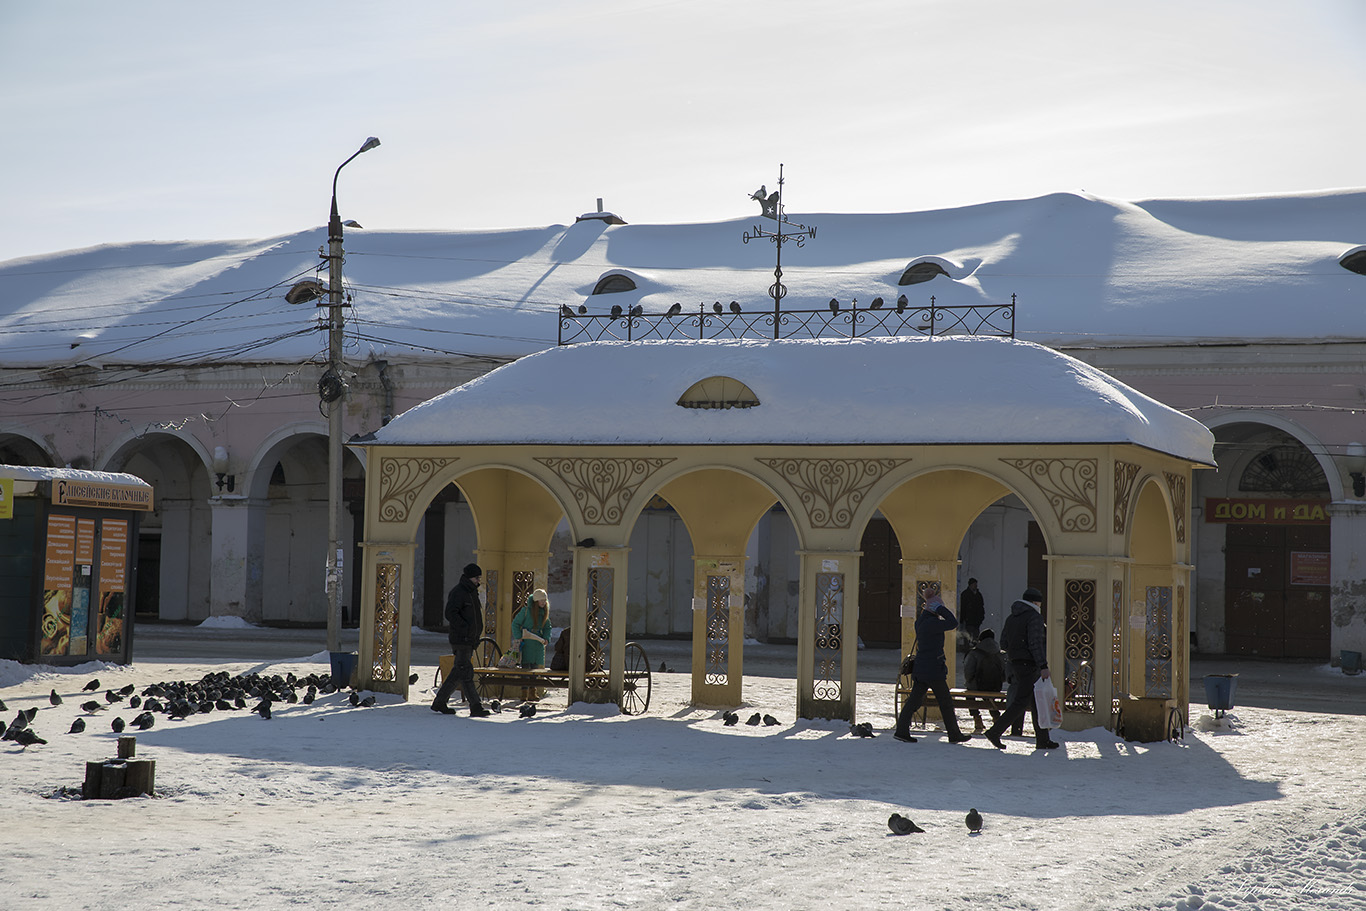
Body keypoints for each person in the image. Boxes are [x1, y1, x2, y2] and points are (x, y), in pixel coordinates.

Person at [892, 592, 972, 744]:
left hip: (922, 667)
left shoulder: (921, 621)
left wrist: (936, 608)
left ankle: (901, 731)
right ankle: (954, 734)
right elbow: (953, 622)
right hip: (933, 668)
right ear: (934, 608)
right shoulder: (932, 623)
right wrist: (941, 609)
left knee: (914, 701)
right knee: (946, 702)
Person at [984, 588, 1059, 750]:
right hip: (1030, 665)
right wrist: (1043, 666)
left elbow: (1003, 643)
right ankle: (994, 732)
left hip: (1016, 664)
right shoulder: (1035, 617)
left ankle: (1043, 739)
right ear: (1035, 602)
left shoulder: (1012, 617)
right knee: (1021, 702)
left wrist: (1015, 651)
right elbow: (1035, 644)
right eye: (1039, 602)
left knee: (1035, 701)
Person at [431, 563, 491, 717]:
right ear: (469, 577)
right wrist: (465, 629)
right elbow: (450, 613)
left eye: (479, 577)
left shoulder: (471, 592)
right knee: (466, 672)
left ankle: (440, 701)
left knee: (460, 671)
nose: (479, 580)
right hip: (461, 639)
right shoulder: (459, 592)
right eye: (477, 577)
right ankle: (475, 706)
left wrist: (474, 635)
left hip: (469, 639)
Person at [963, 628, 1009, 733]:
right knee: (989, 698)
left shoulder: (974, 653)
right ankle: (996, 718)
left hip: (977, 686)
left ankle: (977, 719)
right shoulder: (1001, 654)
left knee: (969, 694)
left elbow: (968, 673)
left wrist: (971, 681)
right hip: (995, 686)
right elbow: (1005, 673)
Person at [512, 588, 553, 700]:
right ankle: (524, 692)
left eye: (545, 600)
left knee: (535, 669)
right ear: (536, 602)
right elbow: (515, 624)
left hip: (538, 643)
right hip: (527, 643)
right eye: (541, 600)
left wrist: (546, 638)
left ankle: (532, 692)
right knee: (525, 668)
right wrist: (519, 637)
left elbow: (547, 627)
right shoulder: (526, 611)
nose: (544, 603)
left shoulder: (544, 613)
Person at [959, 578, 985, 644]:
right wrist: (962, 619)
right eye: (974, 584)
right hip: (968, 620)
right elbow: (962, 607)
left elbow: (981, 607)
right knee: (968, 637)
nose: (975, 586)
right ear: (970, 585)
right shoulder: (965, 594)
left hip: (977, 621)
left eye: (976, 584)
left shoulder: (978, 595)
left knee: (976, 638)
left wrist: (981, 617)